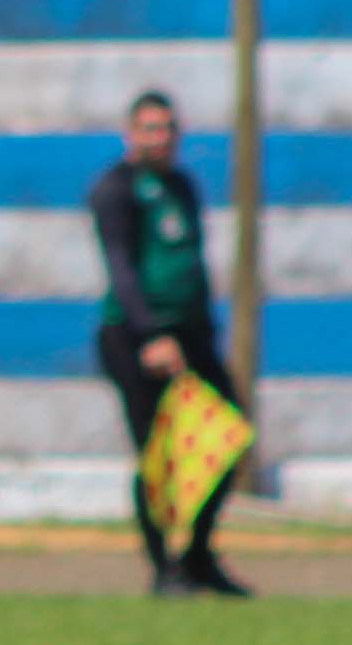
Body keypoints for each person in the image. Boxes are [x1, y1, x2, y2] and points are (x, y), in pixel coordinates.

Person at [89, 90, 251, 598]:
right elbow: (121, 267)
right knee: (156, 455)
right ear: (131, 134)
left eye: (168, 129)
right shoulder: (116, 190)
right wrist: (151, 334)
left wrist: (203, 332)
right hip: (136, 337)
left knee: (230, 435)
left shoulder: (182, 184)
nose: (160, 139)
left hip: (190, 334)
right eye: (150, 129)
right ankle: (165, 569)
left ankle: (199, 554)